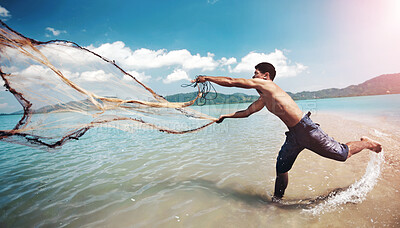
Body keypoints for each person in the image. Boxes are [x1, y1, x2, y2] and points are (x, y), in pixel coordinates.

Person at [193, 62, 382, 200]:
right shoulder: (263, 99)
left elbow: (232, 81)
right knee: (281, 169)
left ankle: (366, 142)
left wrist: (207, 78)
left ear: (266, 76)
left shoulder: (268, 85)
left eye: (255, 73)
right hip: (293, 136)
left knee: (342, 154)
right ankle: (277, 201)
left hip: (307, 129)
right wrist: (225, 116)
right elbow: (246, 112)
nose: (252, 77)